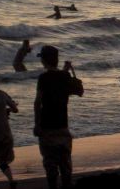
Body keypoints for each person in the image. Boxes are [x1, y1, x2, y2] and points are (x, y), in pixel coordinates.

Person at [34, 45, 83, 189]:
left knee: (51, 167)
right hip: (63, 126)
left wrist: (37, 124)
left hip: (47, 127)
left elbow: (38, 102)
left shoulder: (43, 78)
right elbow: (70, 87)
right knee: (65, 165)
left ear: (44, 60)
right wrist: (67, 70)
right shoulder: (65, 76)